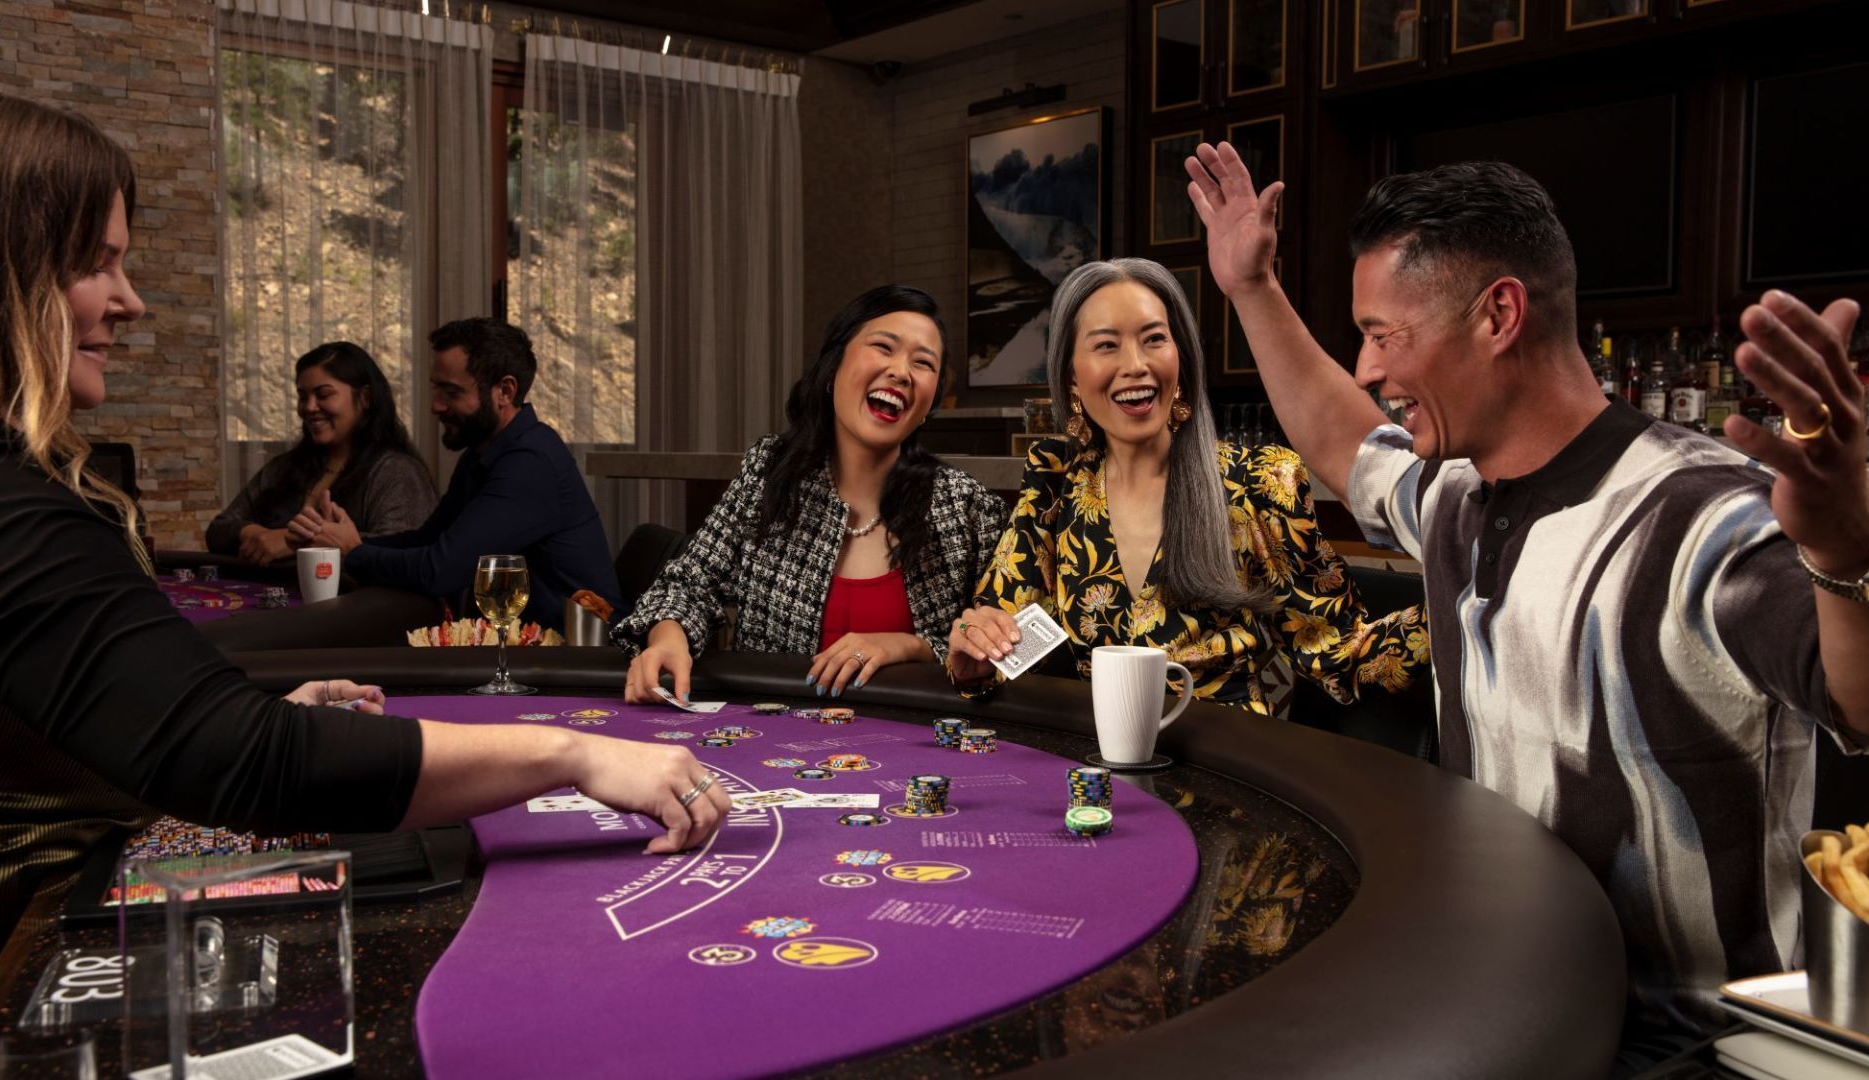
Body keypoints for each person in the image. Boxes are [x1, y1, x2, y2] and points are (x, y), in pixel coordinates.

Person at [0, 87, 725, 1004]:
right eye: (97, 264)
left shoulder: (520, 462)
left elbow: (432, 569)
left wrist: (261, 680)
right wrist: (577, 755)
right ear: (3, 272)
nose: (131, 299)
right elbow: (241, 759)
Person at [1184, 146, 1869, 1045]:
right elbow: (1340, 441)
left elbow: (1856, 698)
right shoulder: (1455, 494)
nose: (1364, 368)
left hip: (1691, 1050)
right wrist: (1251, 289)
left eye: (1384, 336)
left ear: (1499, 314)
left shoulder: (1704, 515)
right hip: (1507, 1008)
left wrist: (1841, 549)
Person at [946, 258, 1426, 711]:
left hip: (1225, 765)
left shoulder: (1257, 482)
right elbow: (1006, 642)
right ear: (1072, 376)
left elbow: (1340, 652)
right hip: (1096, 766)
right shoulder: (1055, 483)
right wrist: (976, 657)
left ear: (1182, 359)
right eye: (1106, 344)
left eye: (1154, 339)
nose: (1135, 364)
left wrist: (1468, 611)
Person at [615, 286, 1008, 703]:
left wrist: (910, 647)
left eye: (923, 362)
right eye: (883, 347)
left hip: (914, 747)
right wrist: (668, 639)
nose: (901, 371)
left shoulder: (966, 507)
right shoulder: (771, 472)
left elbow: (1012, 647)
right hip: (770, 743)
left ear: (928, 404)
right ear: (834, 366)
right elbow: (688, 584)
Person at [291, 317, 625, 629]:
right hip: (521, 647)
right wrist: (342, 539)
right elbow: (429, 539)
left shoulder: (529, 462)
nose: (436, 405)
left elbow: (440, 571)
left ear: (504, 392)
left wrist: (355, 552)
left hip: (575, 653)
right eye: (436, 388)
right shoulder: (484, 450)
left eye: (451, 392)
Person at [205, 341, 437, 565]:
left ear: (365, 398)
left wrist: (294, 543)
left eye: (323, 395)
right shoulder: (284, 467)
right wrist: (256, 535)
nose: (309, 407)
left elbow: (402, 552)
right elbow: (219, 529)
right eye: (303, 397)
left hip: (355, 604)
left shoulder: (397, 472)